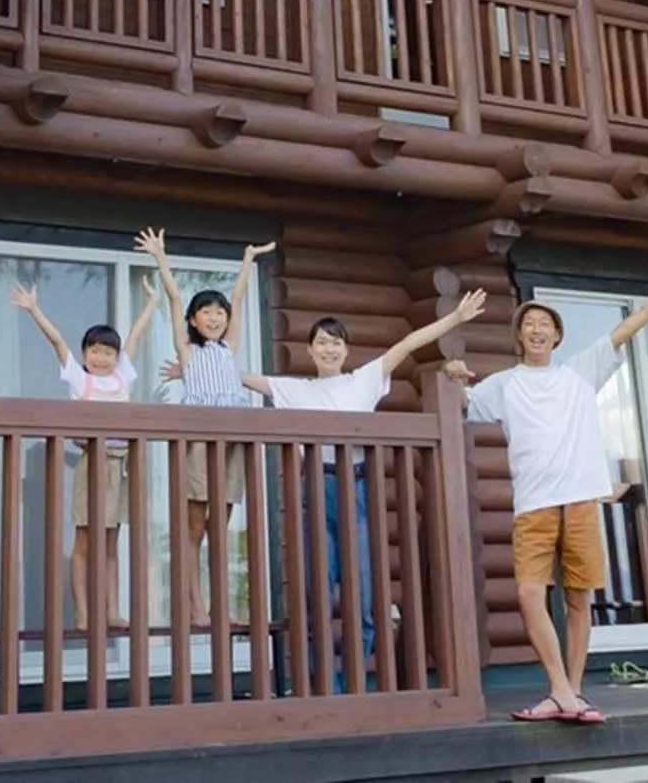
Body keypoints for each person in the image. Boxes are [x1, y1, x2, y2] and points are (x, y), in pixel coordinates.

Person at [165, 289, 490, 691]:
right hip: (314, 490)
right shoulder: (296, 390)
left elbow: (406, 343)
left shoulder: (364, 380)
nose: (328, 348)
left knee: (365, 597)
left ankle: (352, 677)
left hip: (354, 489)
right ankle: (328, 686)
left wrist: (455, 319)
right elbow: (234, 375)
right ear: (310, 350)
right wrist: (190, 368)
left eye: (335, 342)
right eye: (321, 341)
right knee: (317, 594)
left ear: (345, 350)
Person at [442, 270, 648, 726]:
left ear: (556, 336)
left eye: (544, 325)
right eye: (528, 324)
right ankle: (561, 690)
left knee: (578, 600)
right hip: (533, 505)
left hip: (581, 501)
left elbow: (620, 334)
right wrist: (452, 374)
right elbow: (462, 403)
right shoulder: (503, 384)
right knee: (530, 593)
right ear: (519, 336)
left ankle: (571, 693)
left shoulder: (578, 372)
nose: (536, 330)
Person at [134, 226, 272, 629]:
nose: (215, 317)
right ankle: (194, 604)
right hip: (197, 441)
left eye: (220, 311)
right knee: (194, 526)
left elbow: (242, 296)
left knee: (219, 528)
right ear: (194, 320)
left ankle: (219, 607)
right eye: (207, 312)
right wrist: (161, 258)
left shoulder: (229, 348)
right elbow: (175, 299)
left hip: (231, 442)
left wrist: (247, 260)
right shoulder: (188, 352)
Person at [10, 278, 162, 631]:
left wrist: (152, 304)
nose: (101, 356)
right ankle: (81, 612)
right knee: (84, 538)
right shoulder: (81, 380)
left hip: (123, 464)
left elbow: (136, 336)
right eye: (94, 350)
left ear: (116, 356)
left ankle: (110, 611)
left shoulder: (122, 376)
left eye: (108, 351)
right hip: (93, 464)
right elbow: (56, 341)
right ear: (84, 355)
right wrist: (34, 309)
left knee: (111, 539)